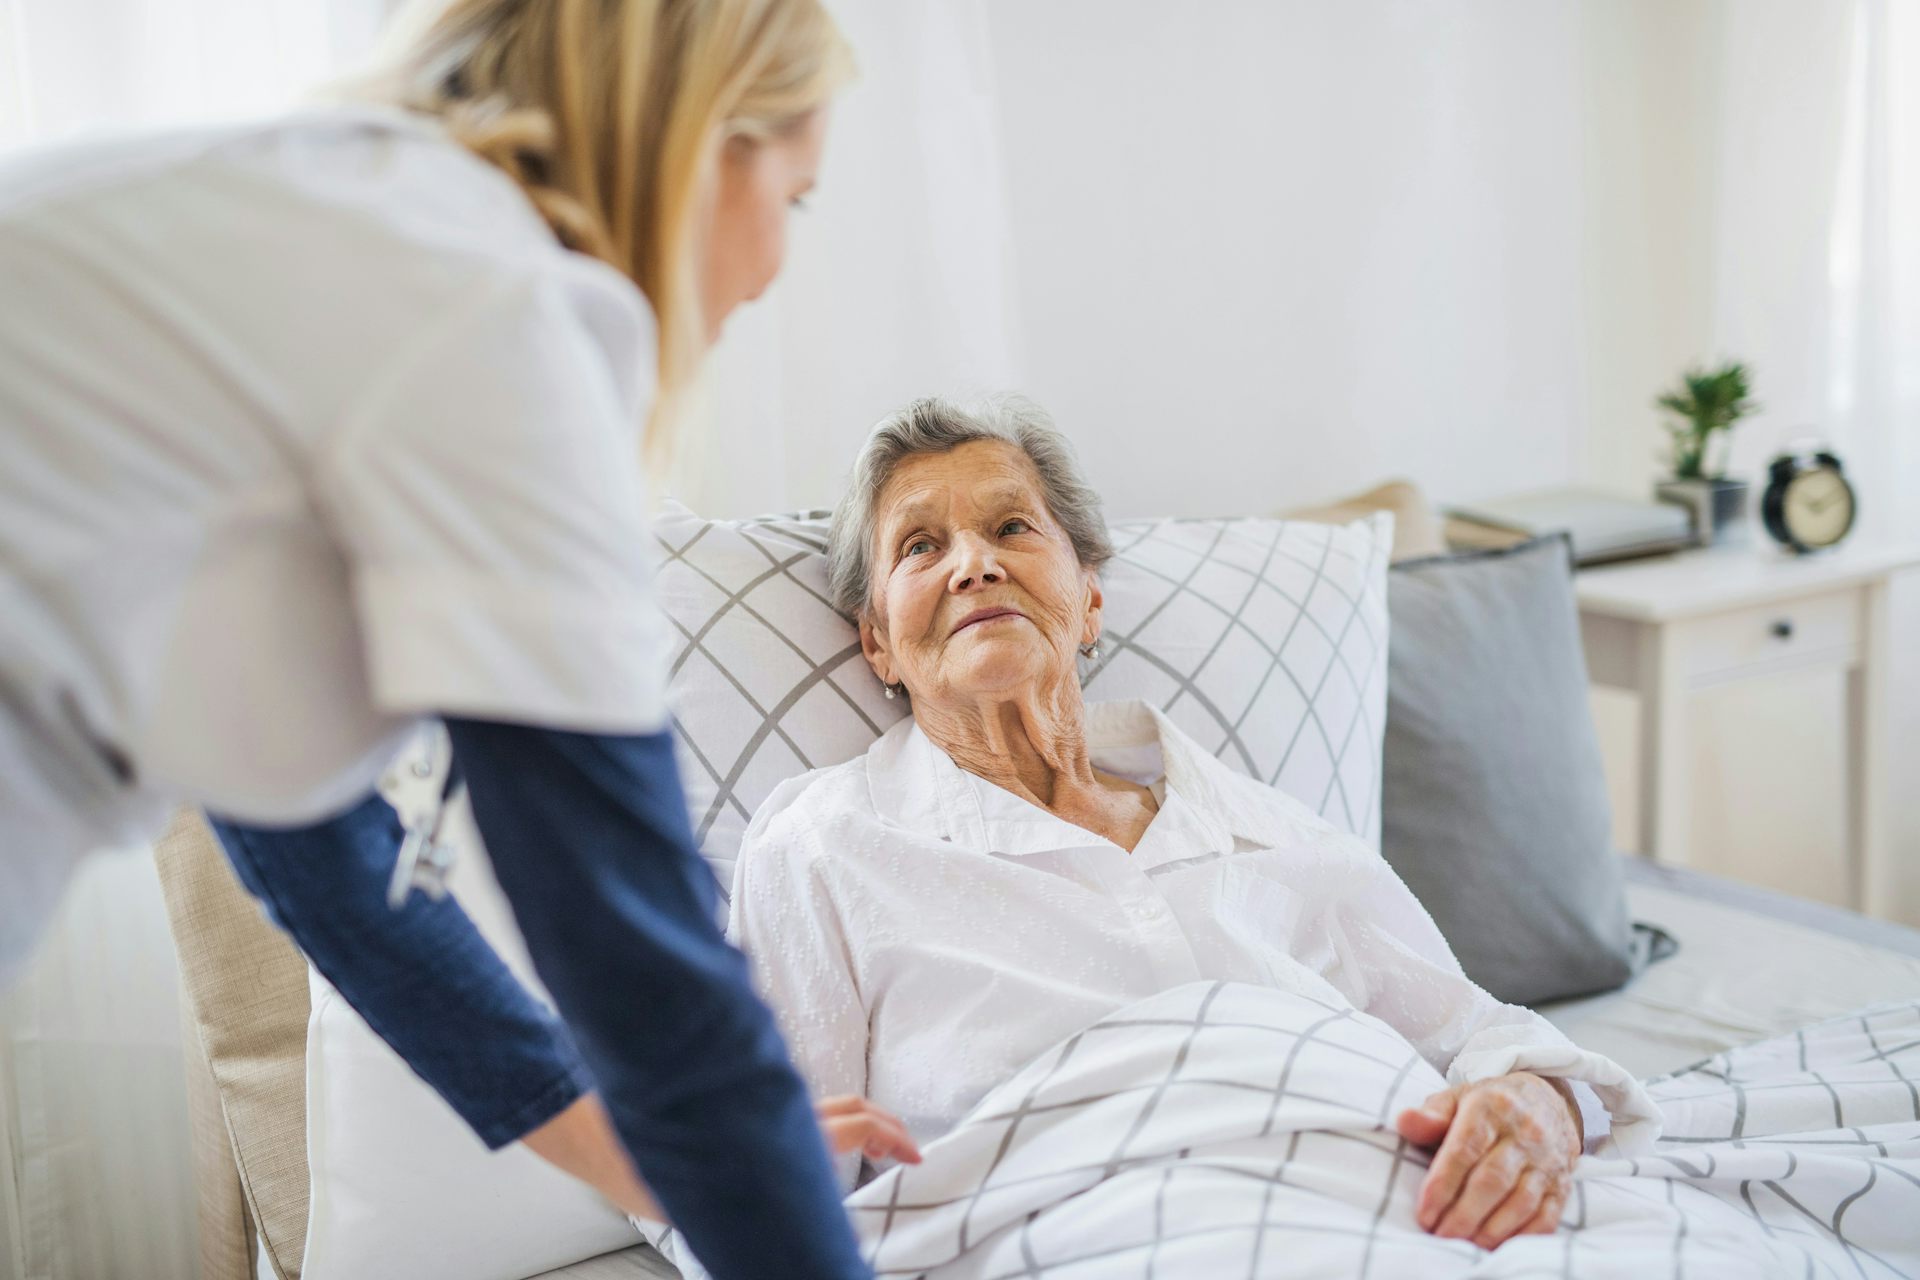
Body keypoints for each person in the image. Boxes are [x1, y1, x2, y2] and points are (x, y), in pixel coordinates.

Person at [0, 2, 907, 1275]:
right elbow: (647, 971)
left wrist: (628, 1152)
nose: (770, 270)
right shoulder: (500, 323)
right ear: (701, 140)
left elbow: (321, 855)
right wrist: (722, 1151)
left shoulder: (332, 223)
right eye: (795, 200)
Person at [726, 395, 1664, 1253]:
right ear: (877, 642)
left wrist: (1536, 1105)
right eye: (920, 548)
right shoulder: (825, 847)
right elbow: (740, 1181)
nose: (974, 563)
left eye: (1012, 526)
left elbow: (1487, 1038)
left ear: (1089, 597)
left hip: (1408, 1214)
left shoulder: (1264, 828)